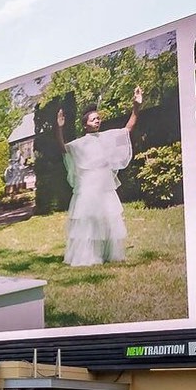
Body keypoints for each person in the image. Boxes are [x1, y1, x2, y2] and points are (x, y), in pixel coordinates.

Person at [55, 86, 143, 266]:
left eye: (98, 118)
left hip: (105, 187)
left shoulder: (106, 137)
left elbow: (128, 128)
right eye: (93, 119)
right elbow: (63, 148)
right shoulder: (79, 144)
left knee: (107, 218)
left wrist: (136, 106)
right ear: (85, 124)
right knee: (89, 220)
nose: (97, 121)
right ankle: (88, 256)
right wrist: (59, 128)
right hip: (88, 188)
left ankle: (108, 253)